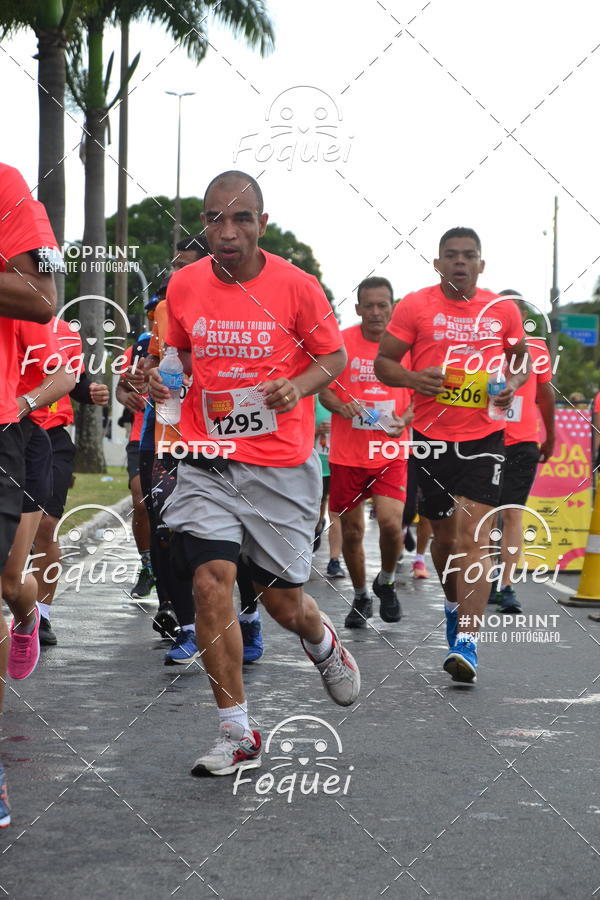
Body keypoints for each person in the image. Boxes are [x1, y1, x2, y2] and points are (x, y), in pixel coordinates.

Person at [150, 170, 360, 776]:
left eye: (241, 219)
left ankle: (321, 642)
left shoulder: (297, 287)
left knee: (282, 605)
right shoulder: (184, 286)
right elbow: (180, 355)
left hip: (281, 467)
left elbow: (333, 355)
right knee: (211, 580)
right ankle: (236, 731)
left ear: (262, 225)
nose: (227, 231)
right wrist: (159, 381)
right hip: (207, 459)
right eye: (215, 218)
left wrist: (296, 386)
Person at [375, 227, 529, 683]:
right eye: (451, 256)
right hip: (431, 438)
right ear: (438, 263)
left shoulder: (503, 309)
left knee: (473, 538)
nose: (460, 262)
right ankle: (451, 602)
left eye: (469, 256)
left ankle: (467, 641)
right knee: (443, 540)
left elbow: (521, 358)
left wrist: (513, 384)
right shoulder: (415, 306)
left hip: (485, 437)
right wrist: (412, 379)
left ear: (481, 265)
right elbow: (385, 362)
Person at [0, 161, 61, 827]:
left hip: (20, 430)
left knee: (17, 571)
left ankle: (27, 616)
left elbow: (40, 297)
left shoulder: (7, 186)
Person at [319, 277, 413, 628]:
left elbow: (419, 394)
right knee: (353, 532)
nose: (375, 312)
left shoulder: (407, 346)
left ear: (393, 307)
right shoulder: (341, 343)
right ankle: (360, 596)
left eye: (382, 305)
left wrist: (405, 418)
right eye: (368, 306)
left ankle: (386, 580)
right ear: (358, 309)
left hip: (391, 450)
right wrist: (341, 407)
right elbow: (323, 390)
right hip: (348, 455)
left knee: (391, 524)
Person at [31, 317, 109, 645]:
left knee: (47, 525)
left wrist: (90, 391)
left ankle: (41, 616)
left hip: (52, 437)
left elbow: (74, 380)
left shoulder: (64, 331)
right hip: (11, 432)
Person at [489, 291, 555, 613]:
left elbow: (545, 393)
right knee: (485, 514)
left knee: (512, 512)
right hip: (483, 441)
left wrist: (551, 437)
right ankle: (488, 575)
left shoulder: (538, 348)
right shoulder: (480, 349)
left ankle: (507, 585)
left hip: (523, 441)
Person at [116, 334, 154, 599]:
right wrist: (125, 397)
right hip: (142, 438)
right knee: (141, 503)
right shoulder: (140, 347)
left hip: (182, 438)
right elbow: (122, 387)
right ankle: (148, 566)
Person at [313, 395, 345, 578]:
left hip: (340, 463)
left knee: (336, 512)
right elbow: (296, 431)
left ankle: (334, 561)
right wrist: (317, 430)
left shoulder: (347, 398)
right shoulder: (316, 398)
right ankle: (317, 527)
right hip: (316, 464)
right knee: (317, 507)